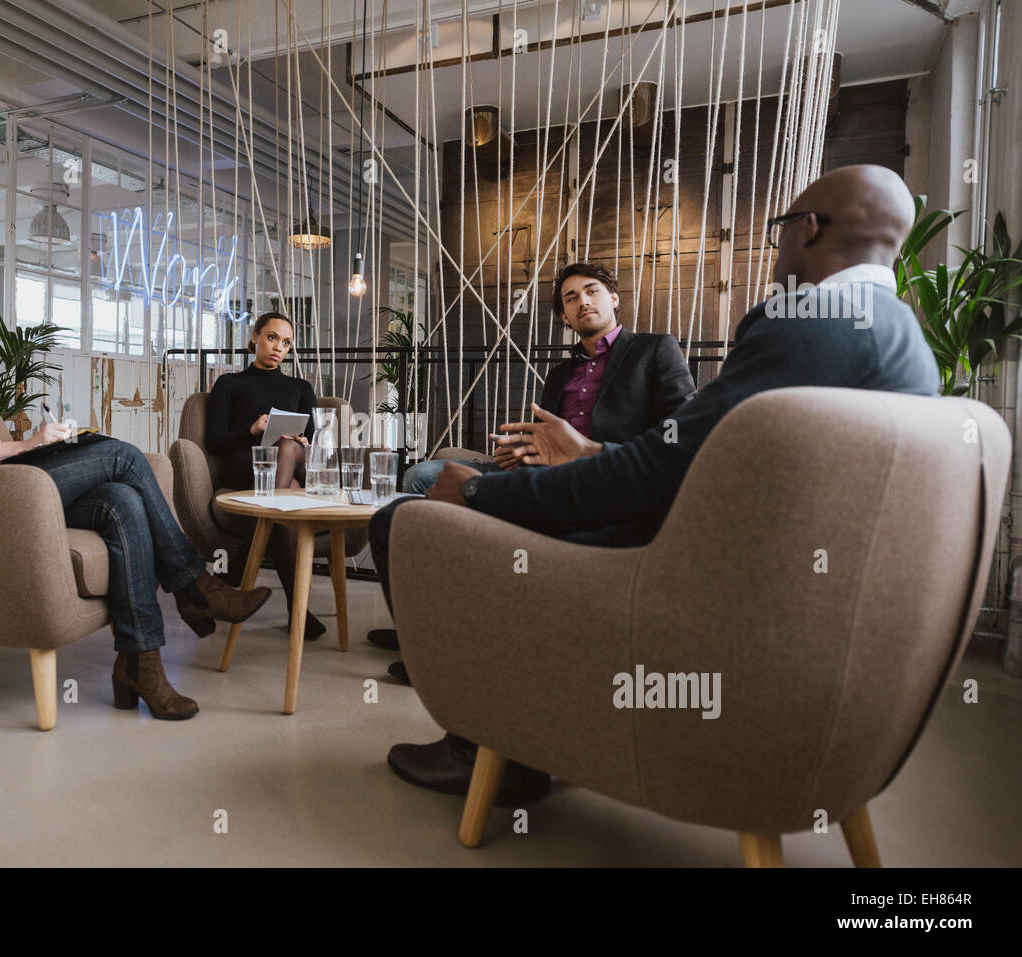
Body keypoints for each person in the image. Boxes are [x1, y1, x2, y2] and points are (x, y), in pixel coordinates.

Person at [371, 163, 940, 805]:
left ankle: (484, 743)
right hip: (771, 588)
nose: (776, 248)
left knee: (402, 518)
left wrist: (480, 493)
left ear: (807, 229)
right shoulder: (900, 339)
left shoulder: (805, 322)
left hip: (682, 576)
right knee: (439, 478)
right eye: (569, 298)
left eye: (779, 230)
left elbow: (661, 467)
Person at [0, 225, 270, 722]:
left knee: (121, 499)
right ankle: (195, 586)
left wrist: (37, 441)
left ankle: (141, 663)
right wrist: (26, 445)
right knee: (121, 456)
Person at [371, 262, 696, 664]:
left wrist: (588, 449)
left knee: (463, 506)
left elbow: (679, 434)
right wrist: (519, 449)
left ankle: (446, 639)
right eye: (571, 298)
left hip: (598, 474)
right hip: (536, 466)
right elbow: (546, 433)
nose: (583, 302)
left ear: (613, 298)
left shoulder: (654, 349)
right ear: (564, 316)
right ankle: (423, 627)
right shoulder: (562, 372)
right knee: (419, 477)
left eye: (592, 291)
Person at [204, 312, 327, 641]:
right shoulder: (229, 384)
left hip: (292, 461)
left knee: (289, 448)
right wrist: (252, 429)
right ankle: (297, 609)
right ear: (255, 336)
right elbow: (214, 442)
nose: (278, 347)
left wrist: (302, 441)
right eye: (272, 337)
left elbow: (313, 441)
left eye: (286, 342)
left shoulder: (300, 387)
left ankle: (245, 553)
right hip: (249, 464)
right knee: (290, 492)